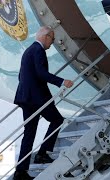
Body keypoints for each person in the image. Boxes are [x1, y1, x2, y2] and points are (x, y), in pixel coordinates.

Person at [13, 26, 74, 180]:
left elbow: (22, 76)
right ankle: (42, 153)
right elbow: (41, 73)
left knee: (29, 133)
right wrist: (61, 81)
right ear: (46, 36)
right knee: (57, 120)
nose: (52, 43)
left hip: (26, 98)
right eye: (52, 39)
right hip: (37, 99)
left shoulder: (28, 51)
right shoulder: (38, 51)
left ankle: (20, 172)